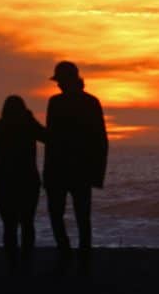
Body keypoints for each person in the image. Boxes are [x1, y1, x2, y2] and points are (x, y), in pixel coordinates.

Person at [43, 61, 109, 262]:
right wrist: (97, 174)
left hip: (64, 170)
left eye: (60, 80)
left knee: (63, 216)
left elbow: (52, 139)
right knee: (78, 217)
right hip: (76, 170)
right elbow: (101, 140)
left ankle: (69, 256)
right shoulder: (89, 102)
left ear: (68, 81)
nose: (58, 85)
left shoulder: (57, 103)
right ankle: (79, 259)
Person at [0, 95, 47, 265]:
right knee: (27, 223)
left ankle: (12, 262)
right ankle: (26, 261)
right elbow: (47, 137)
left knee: (9, 225)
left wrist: (5, 147)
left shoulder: (1, 125)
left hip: (4, 181)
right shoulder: (29, 124)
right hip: (28, 181)